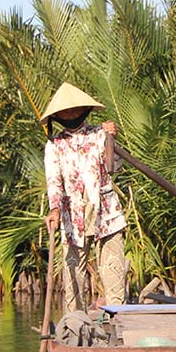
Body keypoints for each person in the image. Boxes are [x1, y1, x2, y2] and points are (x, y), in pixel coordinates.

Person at [41, 83, 128, 312]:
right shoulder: (54, 145)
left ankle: (117, 320)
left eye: (74, 109)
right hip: (73, 215)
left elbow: (114, 167)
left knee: (113, 267)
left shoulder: (99, 134)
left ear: (84, 109)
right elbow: (54, 182)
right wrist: (54, 210)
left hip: (106, 211)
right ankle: (75, 321)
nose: (70, 114)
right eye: (65, 111)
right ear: (57, 116)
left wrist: (111, 138)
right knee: (73, 272)